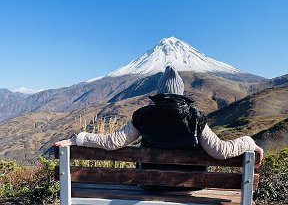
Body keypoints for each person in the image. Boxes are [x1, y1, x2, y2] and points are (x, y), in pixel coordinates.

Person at [55, 66, 264, 168]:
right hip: (189, 186)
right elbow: (220, 151)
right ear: (180, 93)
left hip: (150, 184)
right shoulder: (195, 117)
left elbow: (112, 142)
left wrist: (76, 139)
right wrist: (249, 142)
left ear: (160, 92)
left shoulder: (143, 116)